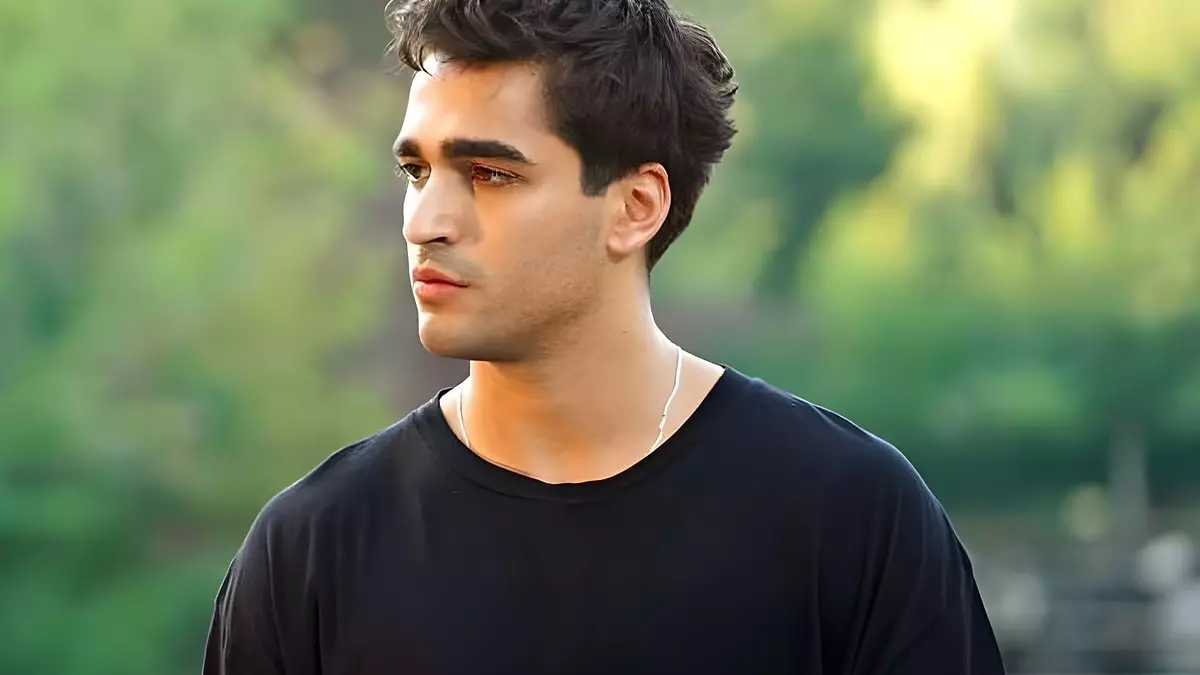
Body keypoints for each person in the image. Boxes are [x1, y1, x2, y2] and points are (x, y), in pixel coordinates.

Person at [202, 0, 1007, 673]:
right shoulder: (311, 550)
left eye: (490, 174)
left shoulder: (851, 517)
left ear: (636, 207)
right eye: (417, 171)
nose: (426, 221)